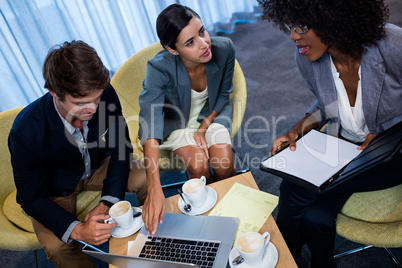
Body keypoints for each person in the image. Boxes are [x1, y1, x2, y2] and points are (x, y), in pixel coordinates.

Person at [257, 0, 402, 267]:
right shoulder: (307, 58)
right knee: (316, 217)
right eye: (289, 26)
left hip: (391, 153)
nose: (292, 36)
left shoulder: (392, 46)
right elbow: (328, 105)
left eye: (301, 25)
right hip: (348, 150)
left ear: (334, 18)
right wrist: (295, 130)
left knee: (296, 187)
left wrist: (390, 132)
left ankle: (280, 256)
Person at [8, 40, 147, 267]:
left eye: (97, 99)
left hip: (93, 166)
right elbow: (31, 197)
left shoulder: (105, 93)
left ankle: (156, 246)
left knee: (145, 174)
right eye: (81, 103)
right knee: (57, 248)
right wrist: (78, 231)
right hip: (53, 189)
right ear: (54, 93)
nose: (93, 109)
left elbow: (120, 146)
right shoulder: (25, 131)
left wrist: (108, 201)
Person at [139, 4, 237, 236]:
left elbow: (224, 93)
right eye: (190, 42)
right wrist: (154, 188)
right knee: (199, 166)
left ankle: (230, 208)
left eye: (202, 32)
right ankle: (211, 220)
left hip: (212, 113)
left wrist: (204, 127)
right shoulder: (158, 67)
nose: (204, 44)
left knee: (224, 166)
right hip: (177, 123)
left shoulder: (224, 48)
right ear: (173, 49)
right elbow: (150, 123)